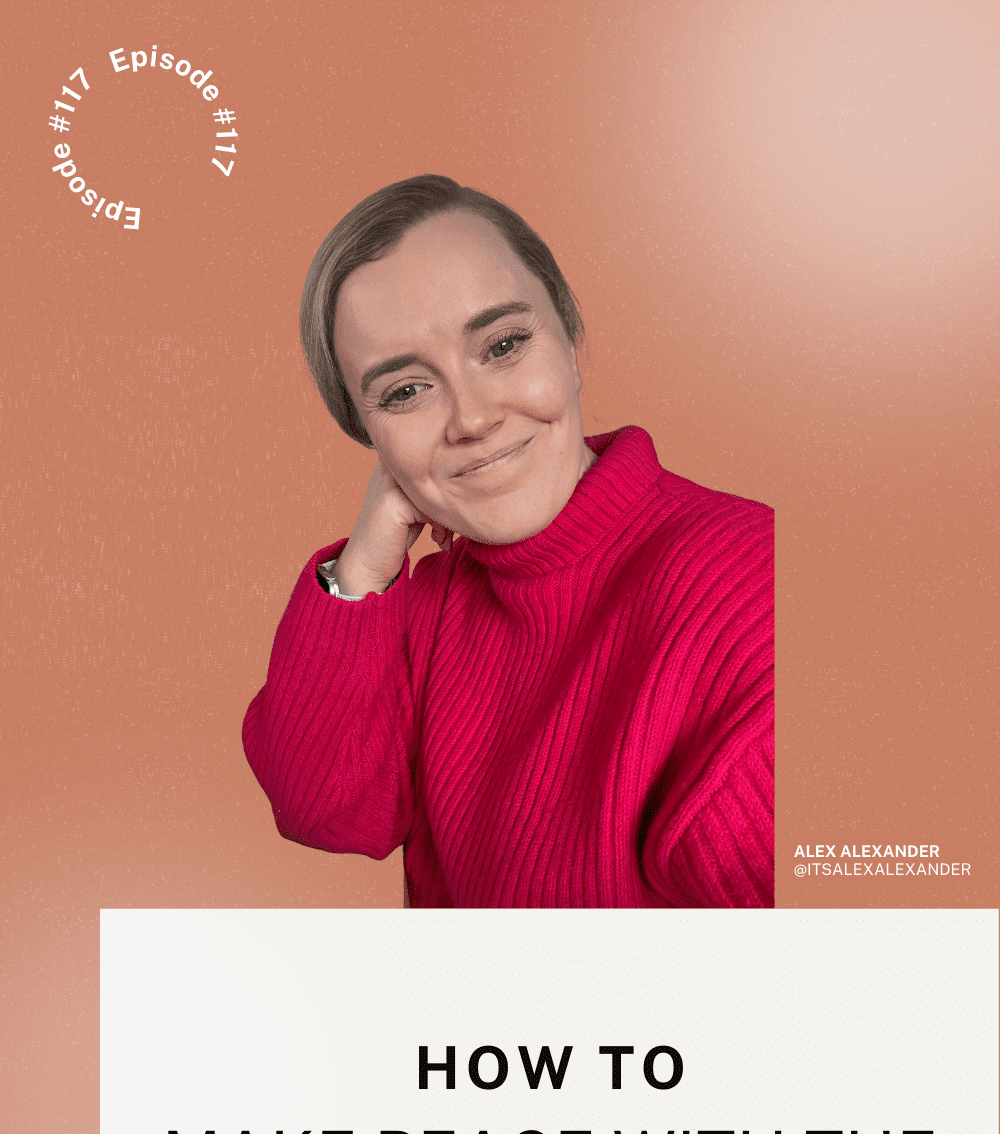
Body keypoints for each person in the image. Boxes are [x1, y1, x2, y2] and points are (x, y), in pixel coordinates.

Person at [243, 174, 773, 908]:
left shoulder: (753, 587)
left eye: (503, 344)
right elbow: (324, 810)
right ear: (369, 433)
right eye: (404, 392)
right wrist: (365, 563)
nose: (472, 418)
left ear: (571, 337)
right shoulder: (426, 606)